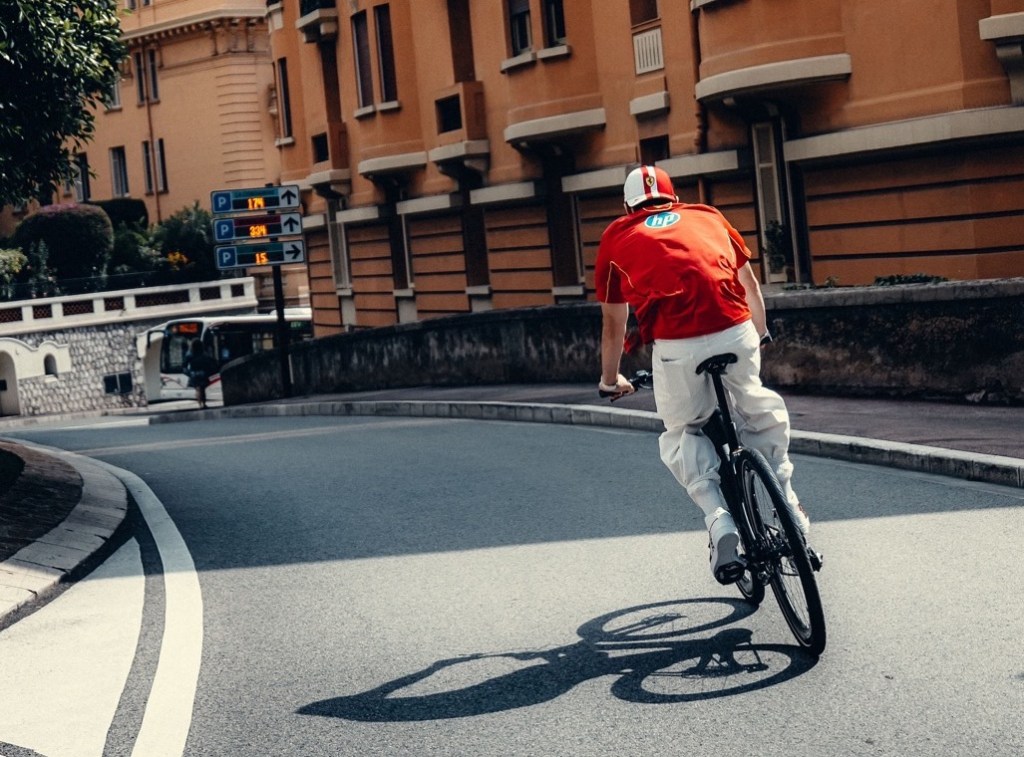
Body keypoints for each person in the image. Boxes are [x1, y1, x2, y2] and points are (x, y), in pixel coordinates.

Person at [595, 165, 809, 585]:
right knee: (755, 404)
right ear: (674, 199)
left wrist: (610, 379)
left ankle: (719, 520)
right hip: (735, 327)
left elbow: (613, 324)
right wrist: (760, 333)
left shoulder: (617, 236)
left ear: (627, 206)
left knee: (684, 431)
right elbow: (748, 283)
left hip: (678, 346)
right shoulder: (707, 215)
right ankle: (788, 502)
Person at [183, 338, 217, 409]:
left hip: (194, 373)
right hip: (203, 373)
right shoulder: (204, 354)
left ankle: (200, 403)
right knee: (202, 389)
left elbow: (185, 365)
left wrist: (188, 373)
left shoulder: (190, 354)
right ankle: (204, 403)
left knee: (198, 389)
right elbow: (210, 362)